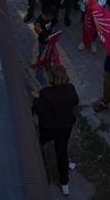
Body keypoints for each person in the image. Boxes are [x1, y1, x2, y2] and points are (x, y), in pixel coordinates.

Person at [33, 65, 80, 197]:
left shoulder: (45, 93)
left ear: (51, 78)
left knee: (41, 142)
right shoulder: (70, 89)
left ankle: (39, 164)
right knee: (61, 153)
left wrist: (36, 101)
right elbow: (75, 101)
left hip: (48, 128)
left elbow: (40, 110)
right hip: (65, 128)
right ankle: (64, 184)